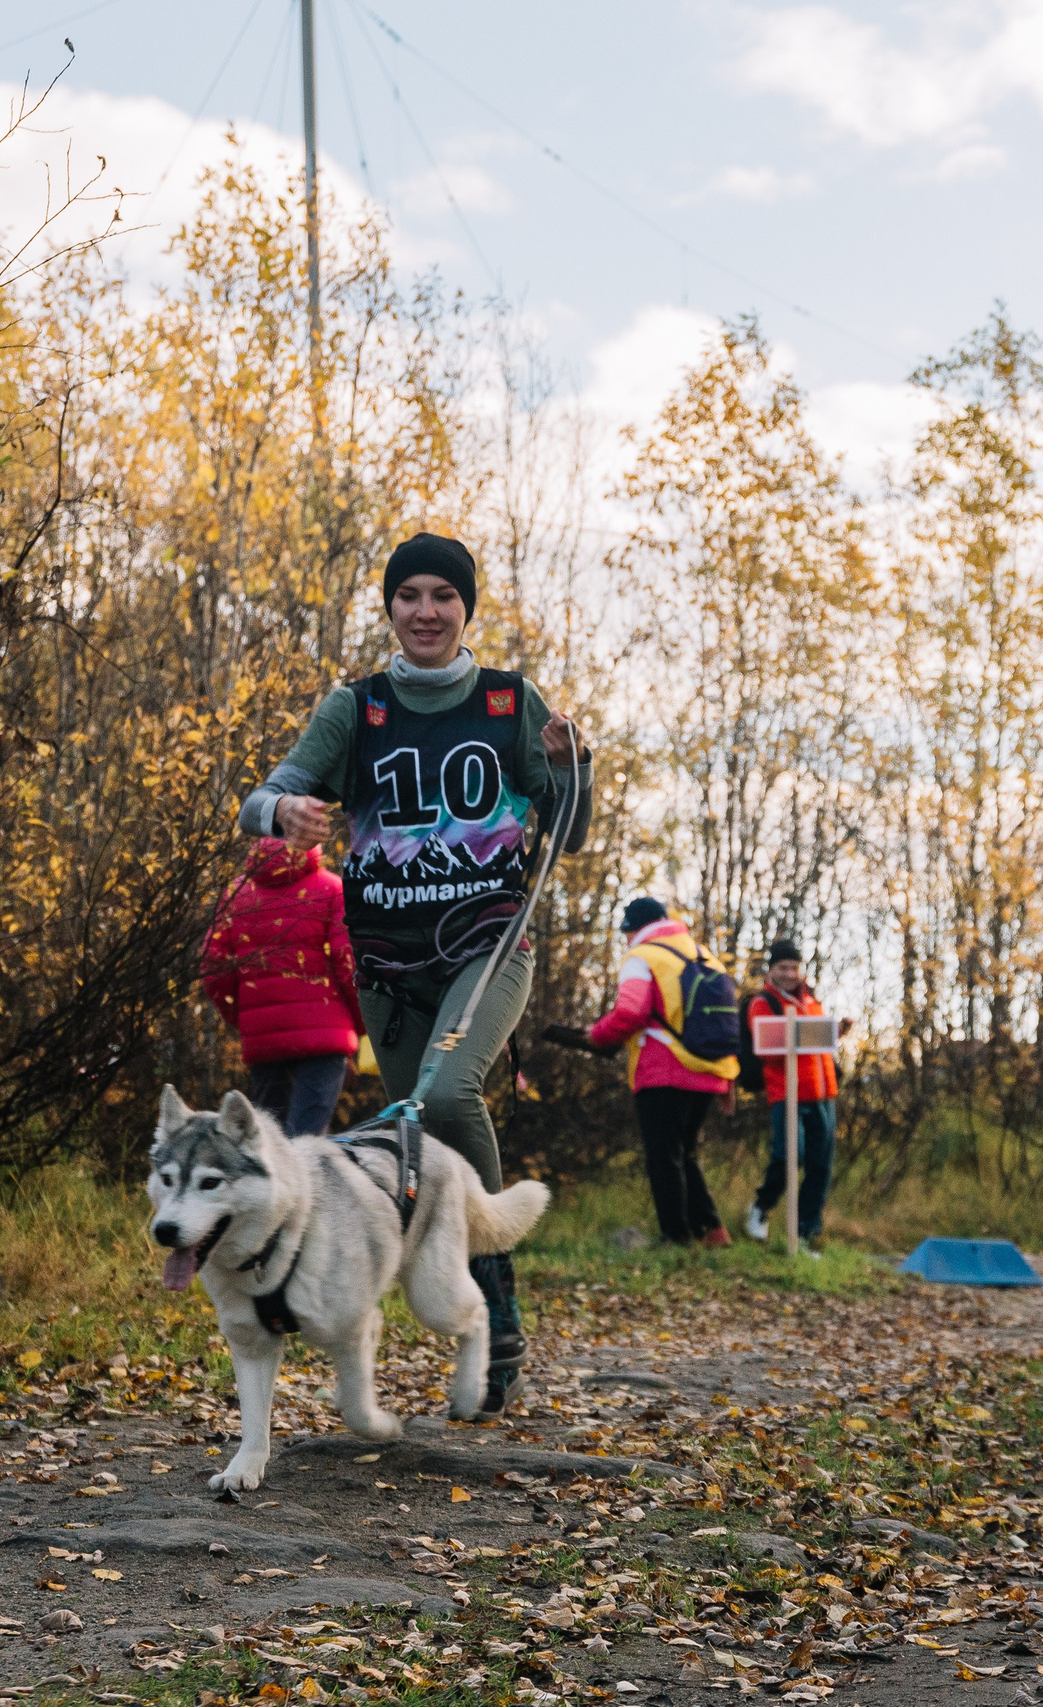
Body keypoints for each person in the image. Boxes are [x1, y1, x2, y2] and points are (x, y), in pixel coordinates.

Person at [237, 531, 595, 1415]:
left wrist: (565, 765)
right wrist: (285, 806)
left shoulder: (512, 700)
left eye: (444, 595)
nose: (426, 611)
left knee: (441, 1101)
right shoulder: (355, 708)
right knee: (417, 1144)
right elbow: (259, 799)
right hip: (390, 963)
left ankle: (497, 1299)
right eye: (410, 596)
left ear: (466, 606)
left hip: (489, 940)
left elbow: (571, 831)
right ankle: (473, 1312)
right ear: (391, 607)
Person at [582, 898, 739, 1247]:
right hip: (712, 1071)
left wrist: (596, 1035)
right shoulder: (704, 955)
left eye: (626, 933)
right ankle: (714, 1231)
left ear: (633, 929)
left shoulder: (642, 957)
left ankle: (676, 1237)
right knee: (685, 1153)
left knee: (663, 1156)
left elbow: (630, 1013)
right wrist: (728, 1079)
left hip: (664, 1070)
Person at [200, 838, 363, 1137]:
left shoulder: (236, 895)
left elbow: (213, 968)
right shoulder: (331, 888)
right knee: (307, 1142)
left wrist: (247, 1018)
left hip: (264, 1040)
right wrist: (360, 1026)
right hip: (325, 1038)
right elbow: (348, 963)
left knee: (270, 1143)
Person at [742, 940, 852, 1250]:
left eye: (793, 967)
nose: (789, 973)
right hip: (787, 1093)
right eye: (782, 968)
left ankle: (806, 1233)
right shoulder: (763, 1003)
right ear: (771, 970)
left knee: (820, 1164)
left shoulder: (811, 1000)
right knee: (790, 1155)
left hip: (823, 1093)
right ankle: (761, 1208)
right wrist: (801, 1036)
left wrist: (836, 1032)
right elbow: (769, 1050)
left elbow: (817, 1044)